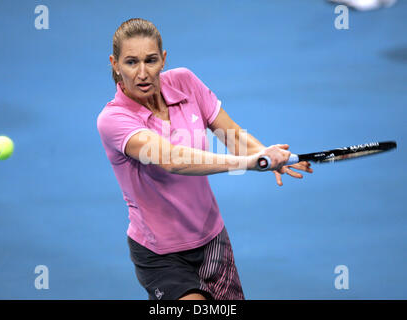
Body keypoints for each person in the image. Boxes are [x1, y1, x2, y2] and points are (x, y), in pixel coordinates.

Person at [97, 18, 313, 300]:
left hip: (213, 241)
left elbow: (232, 134)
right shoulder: (113, 119)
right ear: (115, 64)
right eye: (130, 62)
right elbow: (173, 159)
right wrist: (249, 163)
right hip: (160, 255)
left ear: (163, 59)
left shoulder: (185, 81)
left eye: (150, 61)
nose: (142, 73)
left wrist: (268, 154)